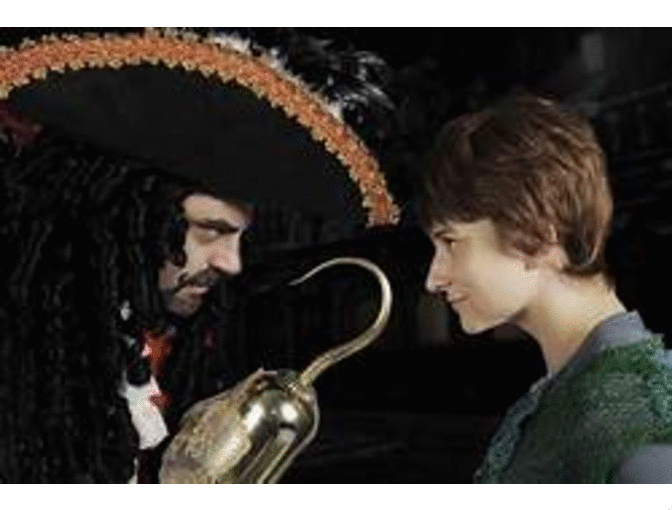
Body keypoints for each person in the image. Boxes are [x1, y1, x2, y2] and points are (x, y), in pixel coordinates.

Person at [0, 29, 400, 483]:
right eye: (211, 230)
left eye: (239, 237)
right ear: (125, 215)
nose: (232, 263)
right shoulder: (25, 347)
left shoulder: (166, 348)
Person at [419, 93, 672, 483]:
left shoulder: (640, 419)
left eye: (451, 242)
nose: (433, 278)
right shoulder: (555, 398)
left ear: (535, 236)